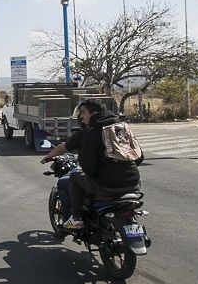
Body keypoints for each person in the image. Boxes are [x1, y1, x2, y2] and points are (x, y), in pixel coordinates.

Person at [42, 99, 143, 230]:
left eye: (83, 112)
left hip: (107, 186)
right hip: (134, 184)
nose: (82, 117)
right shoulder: (121, 128)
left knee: (74, 178)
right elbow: (139, 157)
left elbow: (89, 168)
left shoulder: (92, 132)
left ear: (93, 113)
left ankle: (76, 218)